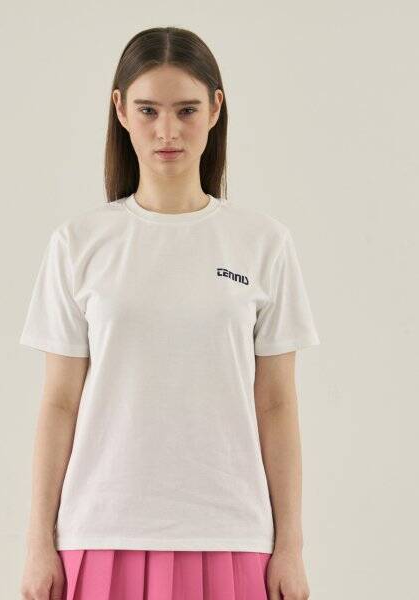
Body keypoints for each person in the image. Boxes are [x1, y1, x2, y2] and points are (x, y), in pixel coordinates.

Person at [19, 26, 320, 600]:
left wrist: (291, 547)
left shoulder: (263, 243)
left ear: (215, 109)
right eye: (148, 110)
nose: (167, 131)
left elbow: (277, 404)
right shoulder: (78, 243)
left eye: (186, 110)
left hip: (232, 533)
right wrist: (37, 543)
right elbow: (59, 402)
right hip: (99, 531)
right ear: (120, 110)